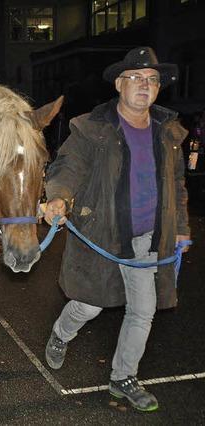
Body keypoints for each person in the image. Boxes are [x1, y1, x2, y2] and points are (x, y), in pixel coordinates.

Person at [42, 47, 190, 412]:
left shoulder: (166, 130)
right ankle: (62, 333)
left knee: (143, 310)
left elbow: (177, 183)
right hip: (103, 234)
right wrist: (58, 198)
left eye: (152, 80)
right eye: (137, 78)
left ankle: (123, 377)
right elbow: (68, 166)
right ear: (120, 84)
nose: (145, 85)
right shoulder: (93, 127)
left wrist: (182, 228)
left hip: (149, 238)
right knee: (89, 305)